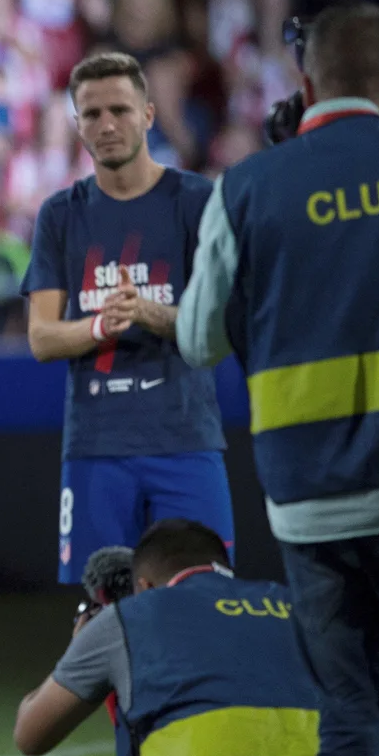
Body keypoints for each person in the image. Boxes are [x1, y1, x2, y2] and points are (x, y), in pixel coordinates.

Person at [177, 3, 379, 756]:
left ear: (305, 82)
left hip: (311, 501)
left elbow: (197, 337)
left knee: (349, 713)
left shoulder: (246, 187)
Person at [20, 51, 232, 591]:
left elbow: (223, 328)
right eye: (91, 115)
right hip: (96, 445)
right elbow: (41, 338)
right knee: (100, 612)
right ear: (76, 125)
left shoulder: (196, 201)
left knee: (204, 600)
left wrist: (148, 313)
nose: (107, 125)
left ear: (149, 114)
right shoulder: (60, 214)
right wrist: (100, 325)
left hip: (184, 437)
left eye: (120, 109)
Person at [13, 519, 321, 756]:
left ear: (144, 586)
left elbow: (30, 735)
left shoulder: (127, 617)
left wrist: (78, 649)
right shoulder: (294, 604)